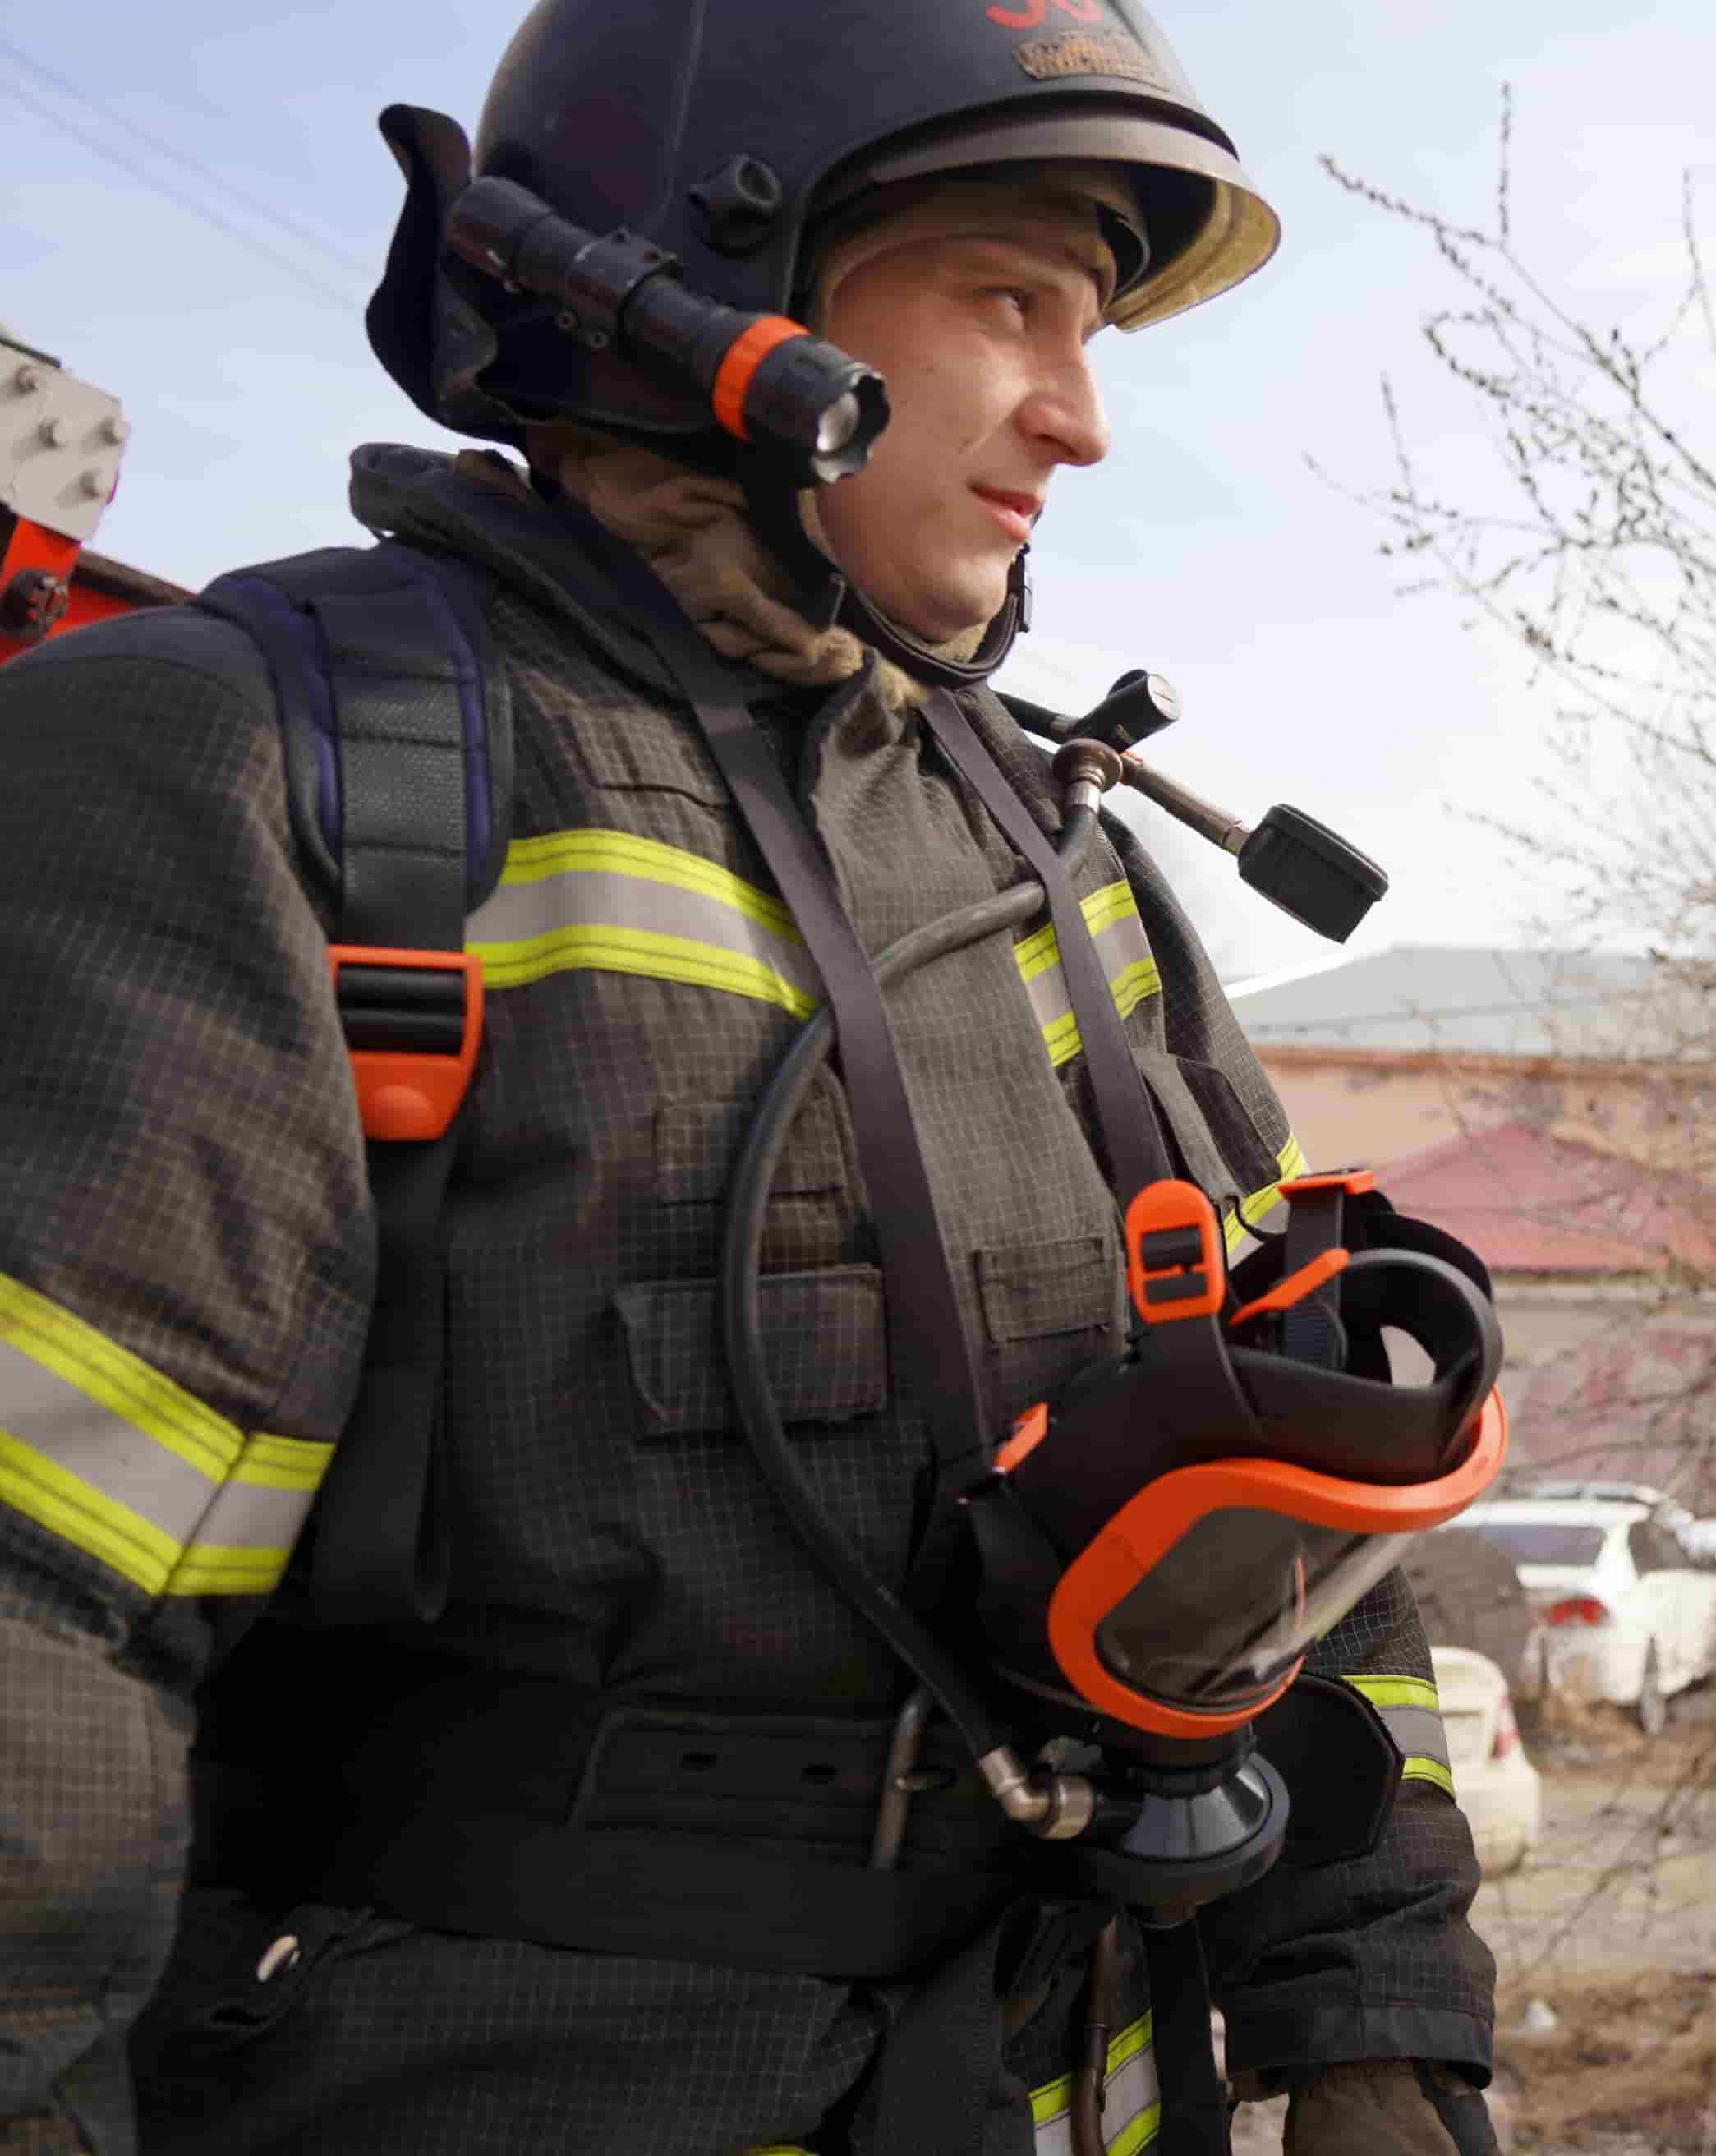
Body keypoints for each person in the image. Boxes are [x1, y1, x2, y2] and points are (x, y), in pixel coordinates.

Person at [0, 3, 1500, 2152]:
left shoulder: (1056, 854)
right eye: (1009, 304)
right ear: (702, 290)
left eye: (1093, 335)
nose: (1080, 421)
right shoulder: (247, 766)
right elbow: (34, 1622)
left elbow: (1288, 1469)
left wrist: (1380, 2024)